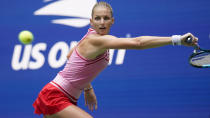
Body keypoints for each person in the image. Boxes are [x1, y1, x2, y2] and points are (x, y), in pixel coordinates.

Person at [33, 1, 198, 118]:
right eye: (97, 18)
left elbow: (71, 56)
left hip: (66, 96)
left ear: (112, 21)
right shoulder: (96, 40)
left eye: (106, 18)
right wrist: (176, 39)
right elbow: (138, 43)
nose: (102, 22)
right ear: (91, 21)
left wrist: (87, 89)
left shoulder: (90, 38)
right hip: (55, 95)